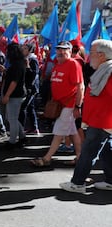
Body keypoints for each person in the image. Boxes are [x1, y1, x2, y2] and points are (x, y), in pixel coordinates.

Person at [60, 39, 112, 193]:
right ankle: (110, 180)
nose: (89, 56)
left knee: (89, 151)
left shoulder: (109, 71)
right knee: (106, 150)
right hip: (99, 118)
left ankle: (77, 183)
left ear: (102, 56)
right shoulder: (104, 70)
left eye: (92, 53)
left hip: (102, 119)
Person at [31, 41, 84, 167]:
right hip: (60, 105)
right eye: (59, 50)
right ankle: (81, 158)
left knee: (58, 131)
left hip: (69, 105)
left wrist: (78, 106)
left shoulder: (73, 64)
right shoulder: (57, 65)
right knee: (73, 132)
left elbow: (80, 87)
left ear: (70, 52)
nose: (60, 52)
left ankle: (47, 158)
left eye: (64, 50)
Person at [0, 43, 27, 149]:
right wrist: (6, 71)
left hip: (15, 95)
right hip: (17, 94)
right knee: (12, 118)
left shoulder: (17, 65)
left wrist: (7, 95)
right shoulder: (19, 63)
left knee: (12, 118)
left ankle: (12, 142)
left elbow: (14, 82)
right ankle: (22, 136)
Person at [19, 43, 40, 135]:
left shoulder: (33, 60)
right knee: (30, 108)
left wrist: (27, 67)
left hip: (31, 88)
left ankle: (21, 128)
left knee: (23, 107)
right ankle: (34, 127)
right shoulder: (24, 60)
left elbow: (33, 75)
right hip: (27, 87)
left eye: (25, 48)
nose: (22, 50)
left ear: (29, 50)